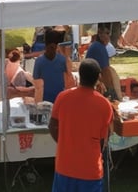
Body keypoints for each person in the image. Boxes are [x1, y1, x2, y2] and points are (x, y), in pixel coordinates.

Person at [49, 58, 113, 192]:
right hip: (90, 168)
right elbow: (103, 140)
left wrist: (64, 143)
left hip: (65, 165)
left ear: (80, 75)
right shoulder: (104, 105)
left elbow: (52, 126)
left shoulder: (63, 97)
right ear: (98, 77)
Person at [85, 24, 121, 99]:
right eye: (107, 33)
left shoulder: (96, 46)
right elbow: (105, 71)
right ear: (100, 33)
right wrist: (111, 91)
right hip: (95, 86)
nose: (109, 37)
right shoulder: (99, 47)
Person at [32, 29, 69, 103]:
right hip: (51, 101)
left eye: (53, 47)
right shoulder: (62, 60)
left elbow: (36, 83)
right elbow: (36, 83)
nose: (52, 50)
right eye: (51, 47)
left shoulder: (39, 61)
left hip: (53, 101)